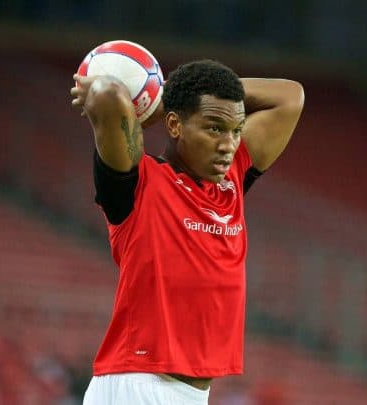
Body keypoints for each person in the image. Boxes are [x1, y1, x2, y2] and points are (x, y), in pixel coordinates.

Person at [70, 57, 304, 405]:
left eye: (236, 130)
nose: (229, 144)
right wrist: (164, 98)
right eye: (214, 128)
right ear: (175, 125)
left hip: (189, 394)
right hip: (138, 386)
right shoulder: (138, 186)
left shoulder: (232, 183)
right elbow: (106, 94)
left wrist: (186, 95)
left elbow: (290, 96)